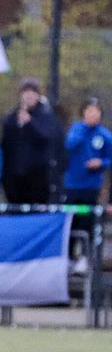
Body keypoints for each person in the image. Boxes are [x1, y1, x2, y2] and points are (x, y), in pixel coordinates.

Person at [63, 98, 112, 274]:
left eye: (96, 111)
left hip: (90, 188)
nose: (93, 114)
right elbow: (69, 145)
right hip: (72, 186)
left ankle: (84, 257)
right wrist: (84, 129)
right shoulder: (76, 130)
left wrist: (101, 163)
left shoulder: (105, 135)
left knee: (87, 220)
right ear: (84, 112)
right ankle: (68, 257)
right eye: (89, 110)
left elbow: (109, 158)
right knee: (71, 221)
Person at [0, 77, 60, 204]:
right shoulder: (12, 117)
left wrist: (29, 123)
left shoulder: (46, 116)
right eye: (25, 92)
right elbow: (6, 144)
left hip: (38, 177)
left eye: (32, 93)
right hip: (15, 177)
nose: (29, 96)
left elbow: (46, 138)